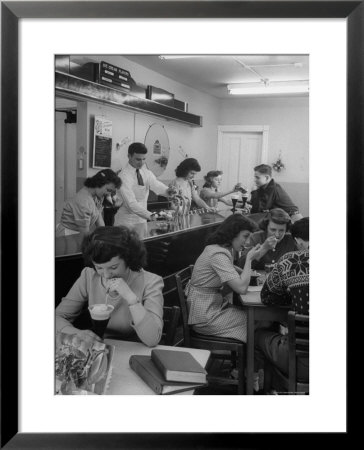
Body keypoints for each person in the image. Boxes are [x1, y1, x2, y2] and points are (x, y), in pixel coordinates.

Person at [55, 226, 164, 347]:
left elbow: (152, 339)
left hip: (133, 352)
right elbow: (57, 317)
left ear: (129, 259)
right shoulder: (89, 275)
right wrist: (77, 333)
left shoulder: (151, 281)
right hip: (99, 350)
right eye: (99, 267)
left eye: (113, 267)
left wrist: (130, 298)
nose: (106, 275)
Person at [187, 214, 261, 342]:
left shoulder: (218, 248)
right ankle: (250, 359)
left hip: (211, 307)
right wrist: (249, 258)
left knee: (255, 319)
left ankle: (250, 357)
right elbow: (241, 288)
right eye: (245, 236)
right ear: (233, 233)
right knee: (255, 320)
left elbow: (230, 269)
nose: (248, 242)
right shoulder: (218, 254)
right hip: (205, 316)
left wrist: (245, 272)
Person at [255, 217, 309, 383]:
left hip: (304, 362)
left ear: (298, 241)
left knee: (257, 335)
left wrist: (293, 292)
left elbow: (267, 297)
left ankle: (268, 389)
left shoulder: (290, 261)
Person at [114, 142, 176, 227]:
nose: (142, 163)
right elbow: (131, 204)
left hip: (142, 220)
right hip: (126, 222)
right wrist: (150, 215)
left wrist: (168, 191)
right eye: (138, 159)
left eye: (144, 159)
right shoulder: (123, 176)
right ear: (129, 156)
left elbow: (156, 185)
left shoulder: (146, 172)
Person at [56, 169, 121, 236]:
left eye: (111, 191)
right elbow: (84, 234)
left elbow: (98, 216)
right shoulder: (83, 201)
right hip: (68, 236)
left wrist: (104, 235)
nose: (108, 194)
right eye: (108, 190)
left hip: (79, 234)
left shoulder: (97, 196)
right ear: (98, 183)